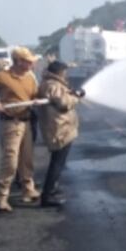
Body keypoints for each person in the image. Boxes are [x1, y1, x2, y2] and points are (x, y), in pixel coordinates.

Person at [0, 46, 41, 213]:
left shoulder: (30, 77)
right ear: (18, 61)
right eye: (28, 62)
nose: (31, 65)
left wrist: (37, 100)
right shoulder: (2, 76)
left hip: (26, 121)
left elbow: (35, 95)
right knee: (10, 161)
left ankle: (28, 189)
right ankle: (1, 197)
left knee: (27, 159)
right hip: (11, 123)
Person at [37, 61, 85, 207]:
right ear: (59, 72)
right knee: (57, 163)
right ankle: (47, 196)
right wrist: (77, 97)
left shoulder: (51, 83)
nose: (66, 74)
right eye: (65, 71)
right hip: (60, 129)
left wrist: (70, 93)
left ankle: (52, 189)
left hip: (61, 128)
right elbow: (64, 103)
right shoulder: (53, 85)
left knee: (59, 161)